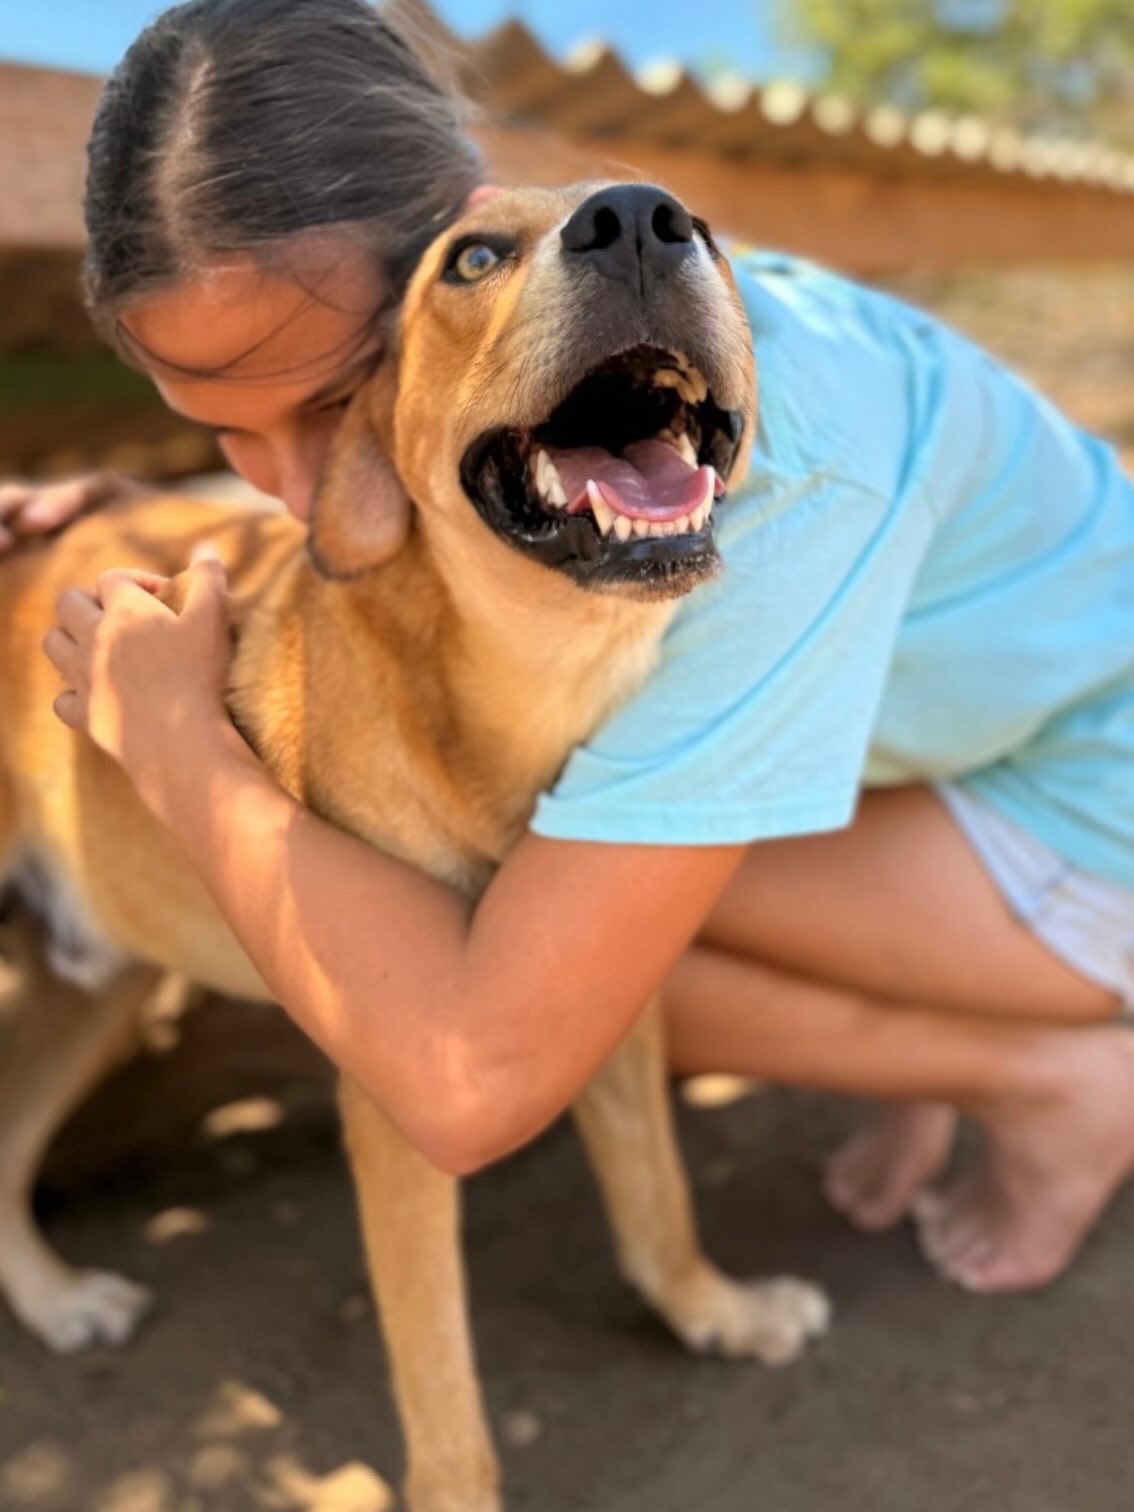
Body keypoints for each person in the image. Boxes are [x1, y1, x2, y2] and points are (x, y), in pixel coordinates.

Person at [9, 0, 1133, 1297]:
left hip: (1091, 800)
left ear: (488, 239)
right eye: (223, 429)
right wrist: (131, 515)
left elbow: (467, 1084)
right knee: (556, 870)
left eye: (337, 403)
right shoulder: (610, 386)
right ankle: (942, 1058)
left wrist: (175, 745)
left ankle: (1051, 1078)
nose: (296, 489)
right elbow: (369, 483)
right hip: (955, 748)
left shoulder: (762, 497)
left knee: (519, 950)